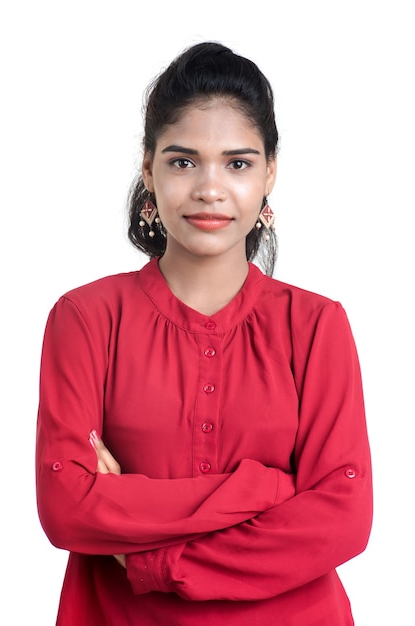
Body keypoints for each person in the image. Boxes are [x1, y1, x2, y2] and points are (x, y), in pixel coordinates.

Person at [35, 41, 373, 626]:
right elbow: (66, 506)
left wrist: (150, 557)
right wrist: (264, 491)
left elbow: (343, 518)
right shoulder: (86, 318)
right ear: (148, 168)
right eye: (183, 161)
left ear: (270, 173)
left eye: (238, 163)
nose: (210, 189)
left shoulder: (316, 326)